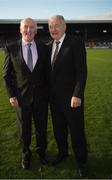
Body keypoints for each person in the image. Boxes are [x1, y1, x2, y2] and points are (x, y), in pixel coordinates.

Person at [3, 18, 49, 169]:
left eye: (32, 28)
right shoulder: (11, 48)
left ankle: (41, 153)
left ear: (36, 30)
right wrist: (11, 95)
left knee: (41, 128)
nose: (28, 30)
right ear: (20, 29)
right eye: (26, 27)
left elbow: (47, 74)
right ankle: (25, 155)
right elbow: (6, 75)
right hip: (21, 98)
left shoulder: (43, 48)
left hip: (41, 98)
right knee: (24, 130)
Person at [48, 15, 88, 177]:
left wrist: (77, 94)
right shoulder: (48, 45)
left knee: (77, 131)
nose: (53, 29)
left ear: (65, 27)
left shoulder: (75, 42)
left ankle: (82, 162)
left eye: (57, 25)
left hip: (72, 99)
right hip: (54, 99)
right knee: (59, 130)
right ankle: (62, 153)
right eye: (50, 26)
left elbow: (81, 71)